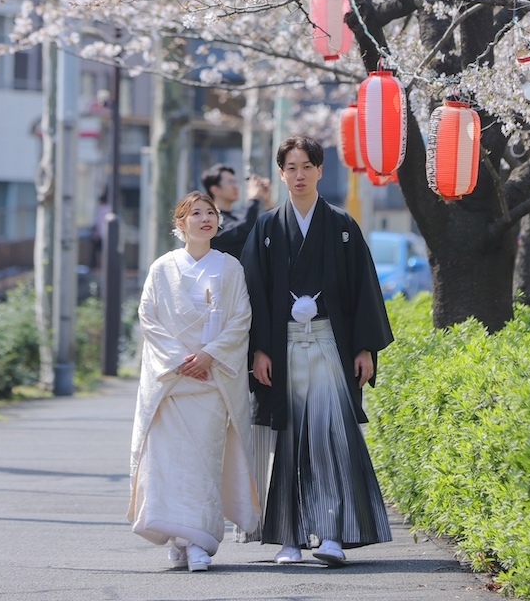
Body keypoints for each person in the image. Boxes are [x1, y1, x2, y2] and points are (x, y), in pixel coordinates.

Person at [241, 135, 394, 567]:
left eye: (307, 166)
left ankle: (330, 534)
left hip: (329, 342)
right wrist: (260, 350)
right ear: (281, 172)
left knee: (330, 437)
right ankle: (289, 537)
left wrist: (364, 348)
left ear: (320, 170)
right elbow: (255, 291)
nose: (299, 174)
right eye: (291, 167)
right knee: (287, 441)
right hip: (284, 345)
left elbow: (363, 289)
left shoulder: (343, 225)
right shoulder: (268, 227)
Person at [128, 191, 260, 571]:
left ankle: (195, 538)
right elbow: (148, 318)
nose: (205, 219)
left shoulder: (230, 267)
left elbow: (240, 319)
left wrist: (209, 356)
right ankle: (185, 538)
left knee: (204, 463)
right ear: (180, 224)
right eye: (196, 213)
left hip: (212, 381)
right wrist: (179, 360)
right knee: (171, 463)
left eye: (211, 213)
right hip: (172, 384)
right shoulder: (161, 269)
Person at [202, 162, 274, 259]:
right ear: (215, 190)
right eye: (231, 182)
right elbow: (244, 229)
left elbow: (267, 234)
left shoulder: (237, 217)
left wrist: (268, 203)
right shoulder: (212, 221)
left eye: (236, 182)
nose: (236, 186)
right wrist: (253, 199)